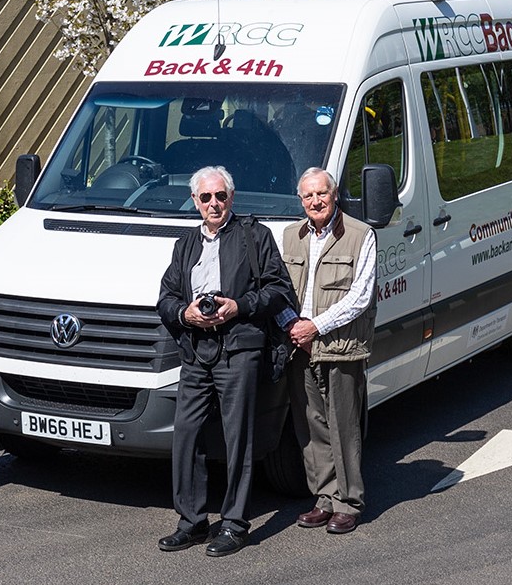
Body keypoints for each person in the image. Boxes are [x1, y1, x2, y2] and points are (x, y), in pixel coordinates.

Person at [155, 165, 295, 558]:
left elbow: (279, 289)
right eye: (206, 198)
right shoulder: (184, 244)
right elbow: (164, 299)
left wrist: (240, 306)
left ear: (231, 198)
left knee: (239, 438)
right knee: (187, 434)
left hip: (240, 348)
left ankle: (234, 524)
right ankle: (192, 522)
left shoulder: (254, 235)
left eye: (220, 196)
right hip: (196, 350)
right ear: (195, 202)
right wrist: (186, 314)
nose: (213, 204)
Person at [278, 167, 377, 535]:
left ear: (334, 195)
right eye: (308, 196)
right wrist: (292, 324)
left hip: (341, 345)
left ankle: (349, 503)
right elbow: (280, 290)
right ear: (300, 200)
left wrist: (314, 326)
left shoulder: (360, 234)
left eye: (321, 194)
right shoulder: (290, 235)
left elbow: (361, 297)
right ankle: (323, 498)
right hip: (299, 343)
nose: (315, 201)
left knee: (344, 426)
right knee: (311, 425)